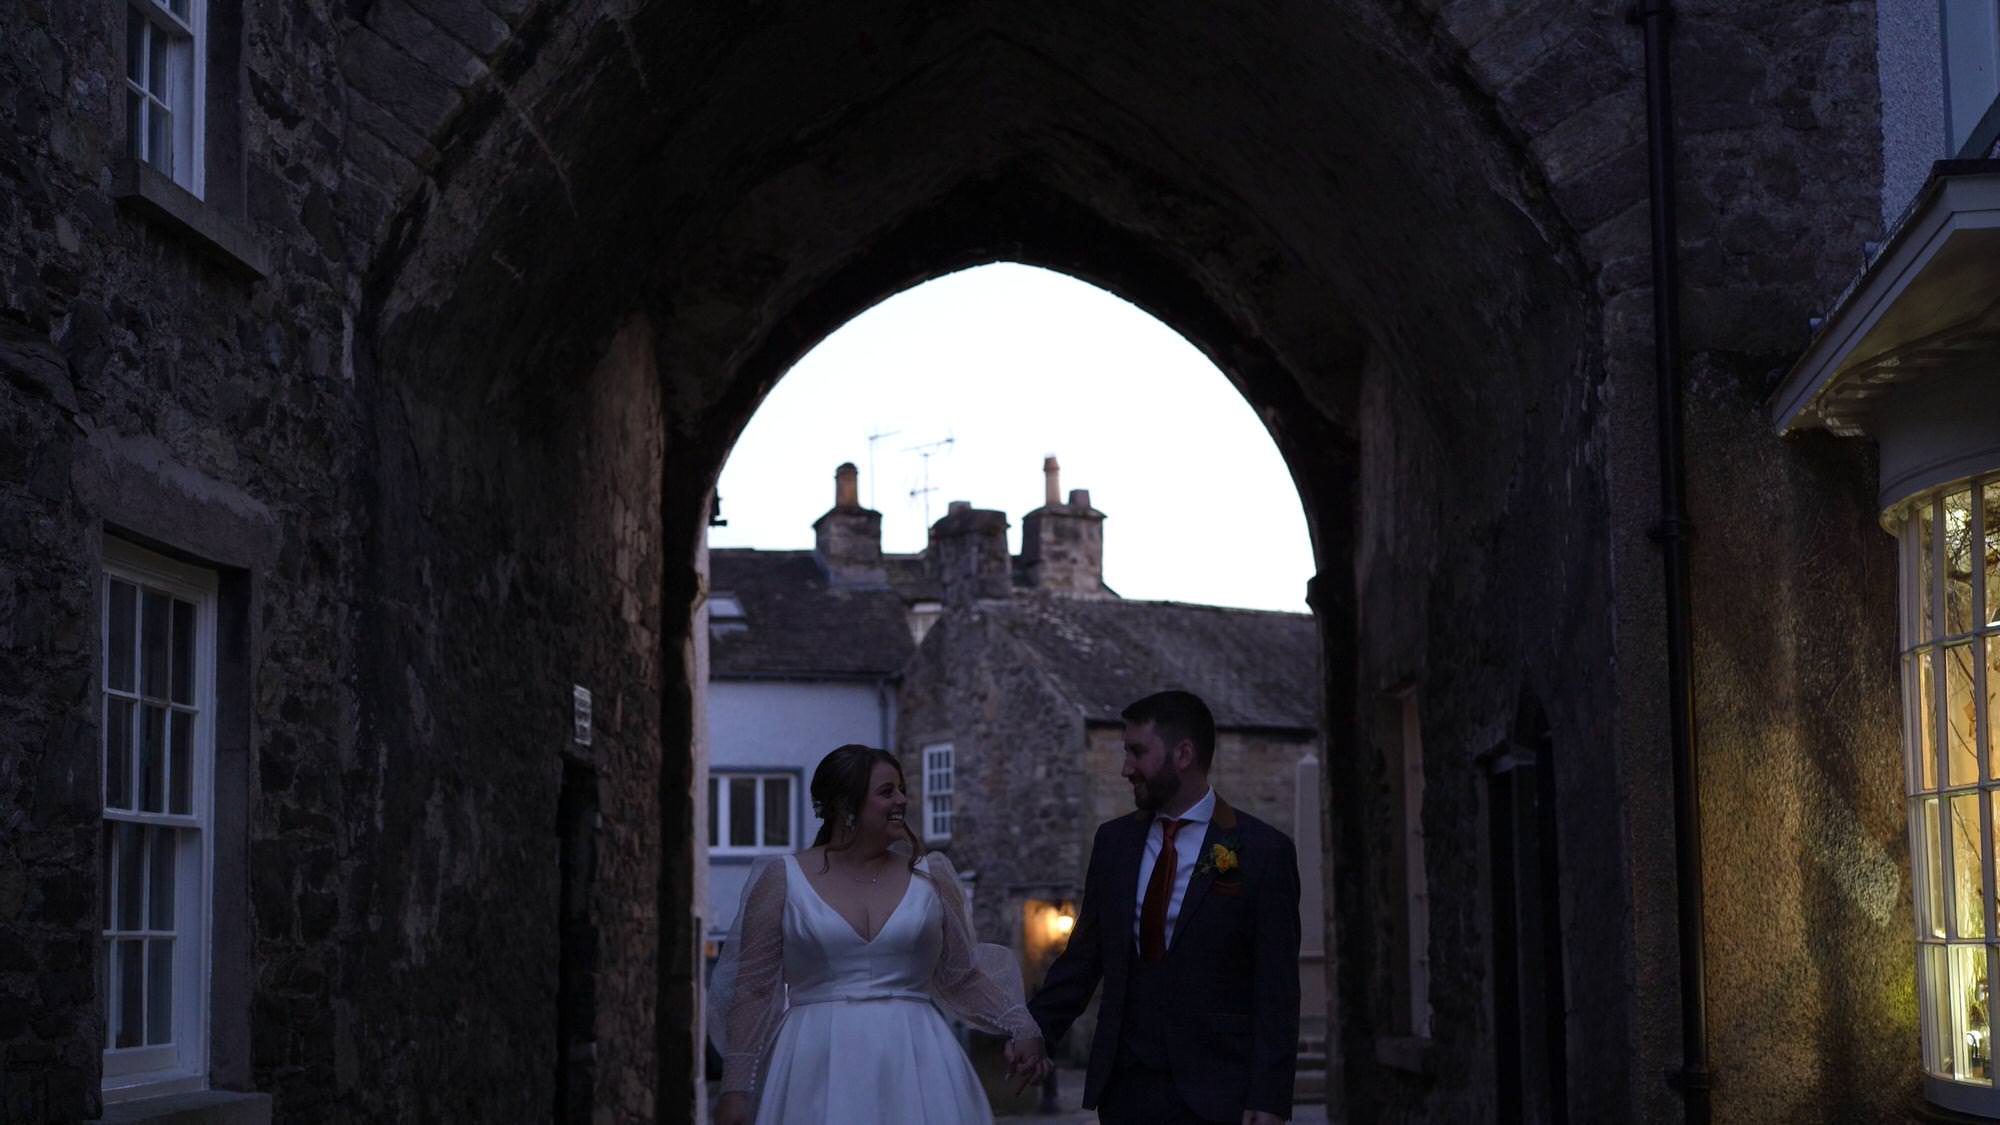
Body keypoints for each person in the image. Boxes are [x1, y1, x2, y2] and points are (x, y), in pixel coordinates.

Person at [709, 745, 1048, 1124]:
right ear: (845, 805)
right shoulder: (781, 879)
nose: (902, 800)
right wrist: (735, 1090)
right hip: (813, 1061)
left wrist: (1020, 1026)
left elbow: (962, 974)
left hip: (917, 1058)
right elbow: (753, 989)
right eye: (887, 792)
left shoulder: (930, 877)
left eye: (902, 789)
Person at [1015, 690, 1302, 1124]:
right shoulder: (1113, 844)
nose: (1125, 768)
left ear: (1183, 754)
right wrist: (1035, 1030)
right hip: (1127, 1090)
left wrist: (1270, 1097)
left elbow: (1276, 990)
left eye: (1137, 751)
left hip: (1219, 1092)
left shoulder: (1262, 851)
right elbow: (1084, 958)